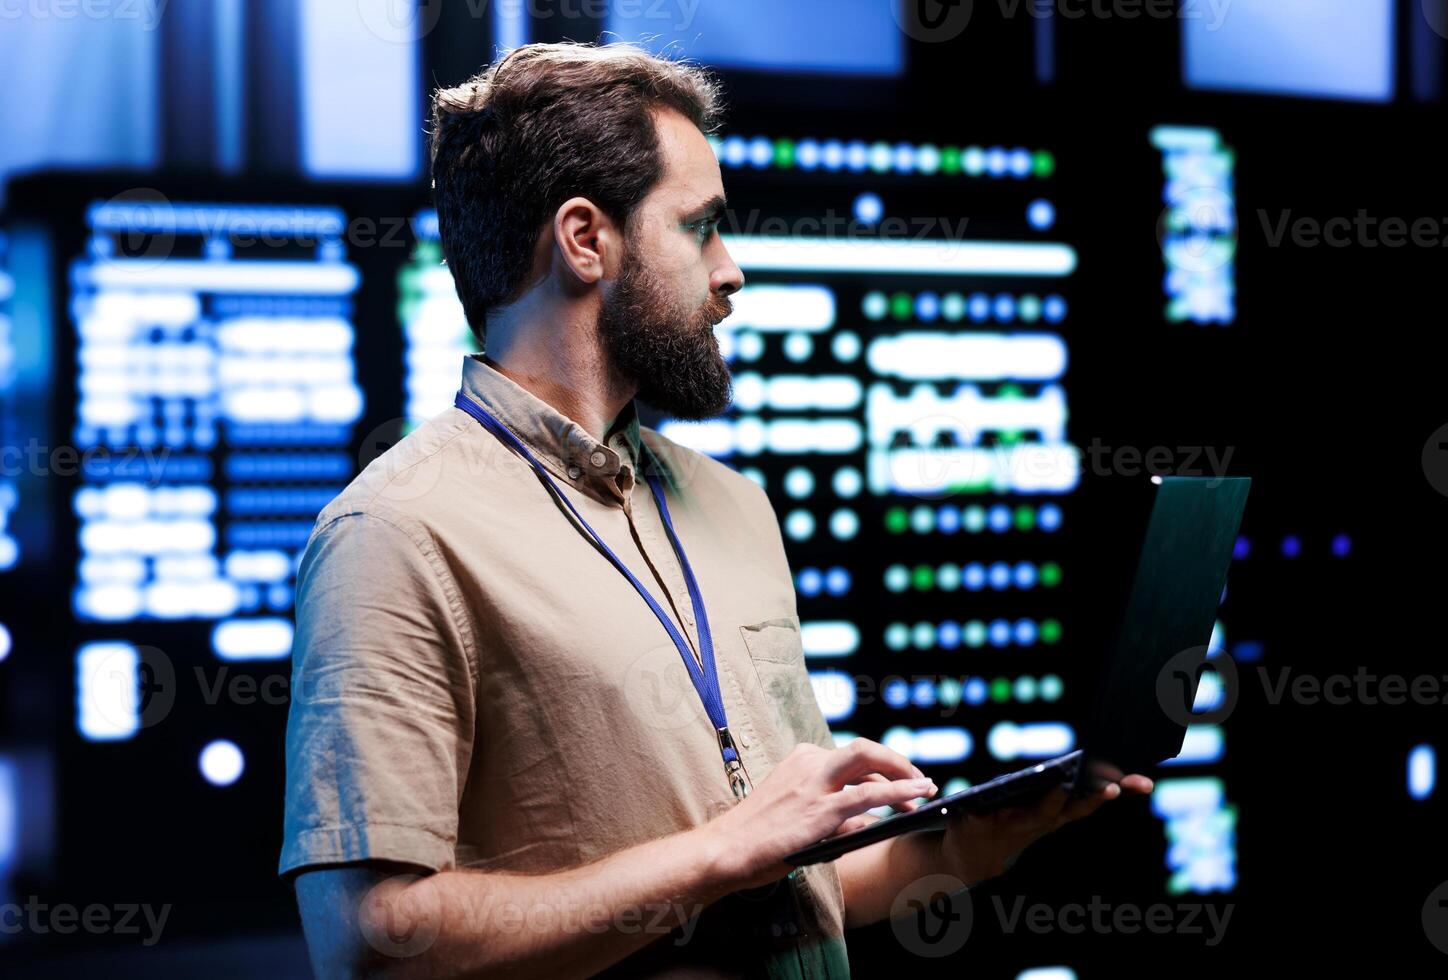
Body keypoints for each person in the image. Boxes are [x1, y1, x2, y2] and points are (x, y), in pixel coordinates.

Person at [281, 41, 1151, 979]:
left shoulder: (734, 507)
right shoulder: (396, 534)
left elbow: (792, 882)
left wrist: (970, 845)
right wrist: (718, 853)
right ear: (586, 241)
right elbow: (370, 941)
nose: (731, 272)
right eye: (701, 227)